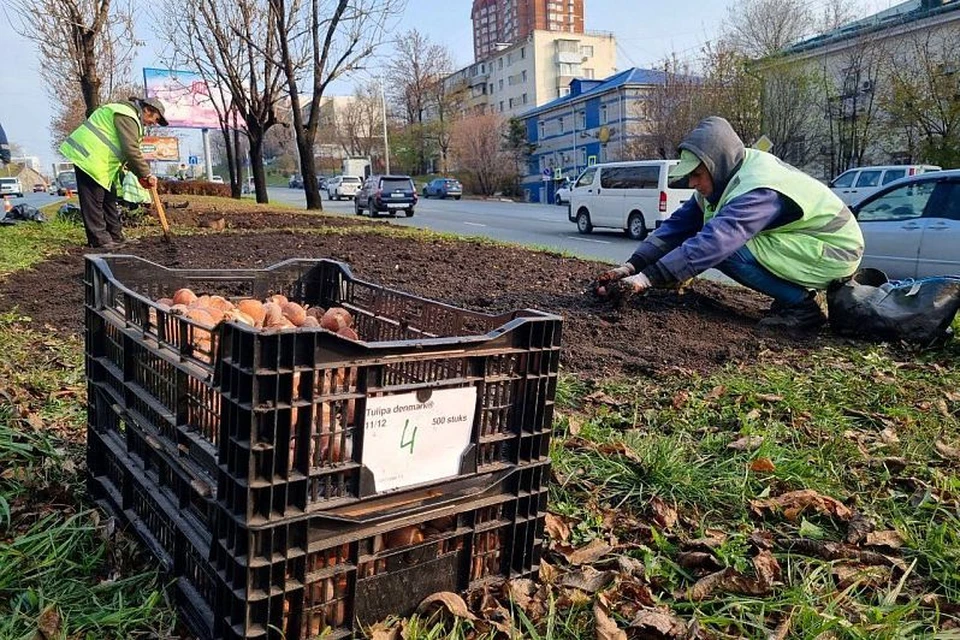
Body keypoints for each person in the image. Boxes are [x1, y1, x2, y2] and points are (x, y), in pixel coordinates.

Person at [597, 116, 864, 330]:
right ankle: (790, 299)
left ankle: (802, 308)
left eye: (697, 175)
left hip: (835, 251)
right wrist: (632, 266)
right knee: (717, 242)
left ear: (717, 164)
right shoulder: (724, 176)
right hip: (809, 243)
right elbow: (677, 226)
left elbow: (716, 242)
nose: (692, 183)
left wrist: (647, 279)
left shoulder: (757, 189)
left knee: (727, 250)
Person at [59, 97, 169, 249]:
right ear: (148, 110)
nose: (153, 123)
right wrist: (147, 174)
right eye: (155, 119)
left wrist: (141, 176)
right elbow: (130, 150)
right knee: (94, 200)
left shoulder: (130, 117)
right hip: (89, 156)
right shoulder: (126, 115)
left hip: (101, 162)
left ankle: (115, 236)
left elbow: (127, 154)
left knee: (109, 198)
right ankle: (99, 240)